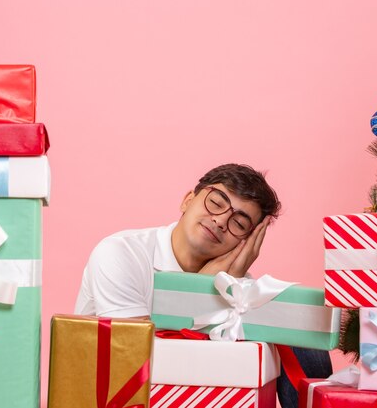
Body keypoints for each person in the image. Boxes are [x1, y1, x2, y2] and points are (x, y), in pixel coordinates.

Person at [74, 163, 332, 408]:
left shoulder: (239, 290)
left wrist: (217, 288)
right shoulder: (121, 253)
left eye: (239, 224)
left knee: (297, 329)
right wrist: (200, 289)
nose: (220, 221)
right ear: (187, 200)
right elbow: (133, 361)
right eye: (216, 203)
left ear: (247, 243)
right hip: (118, 395)